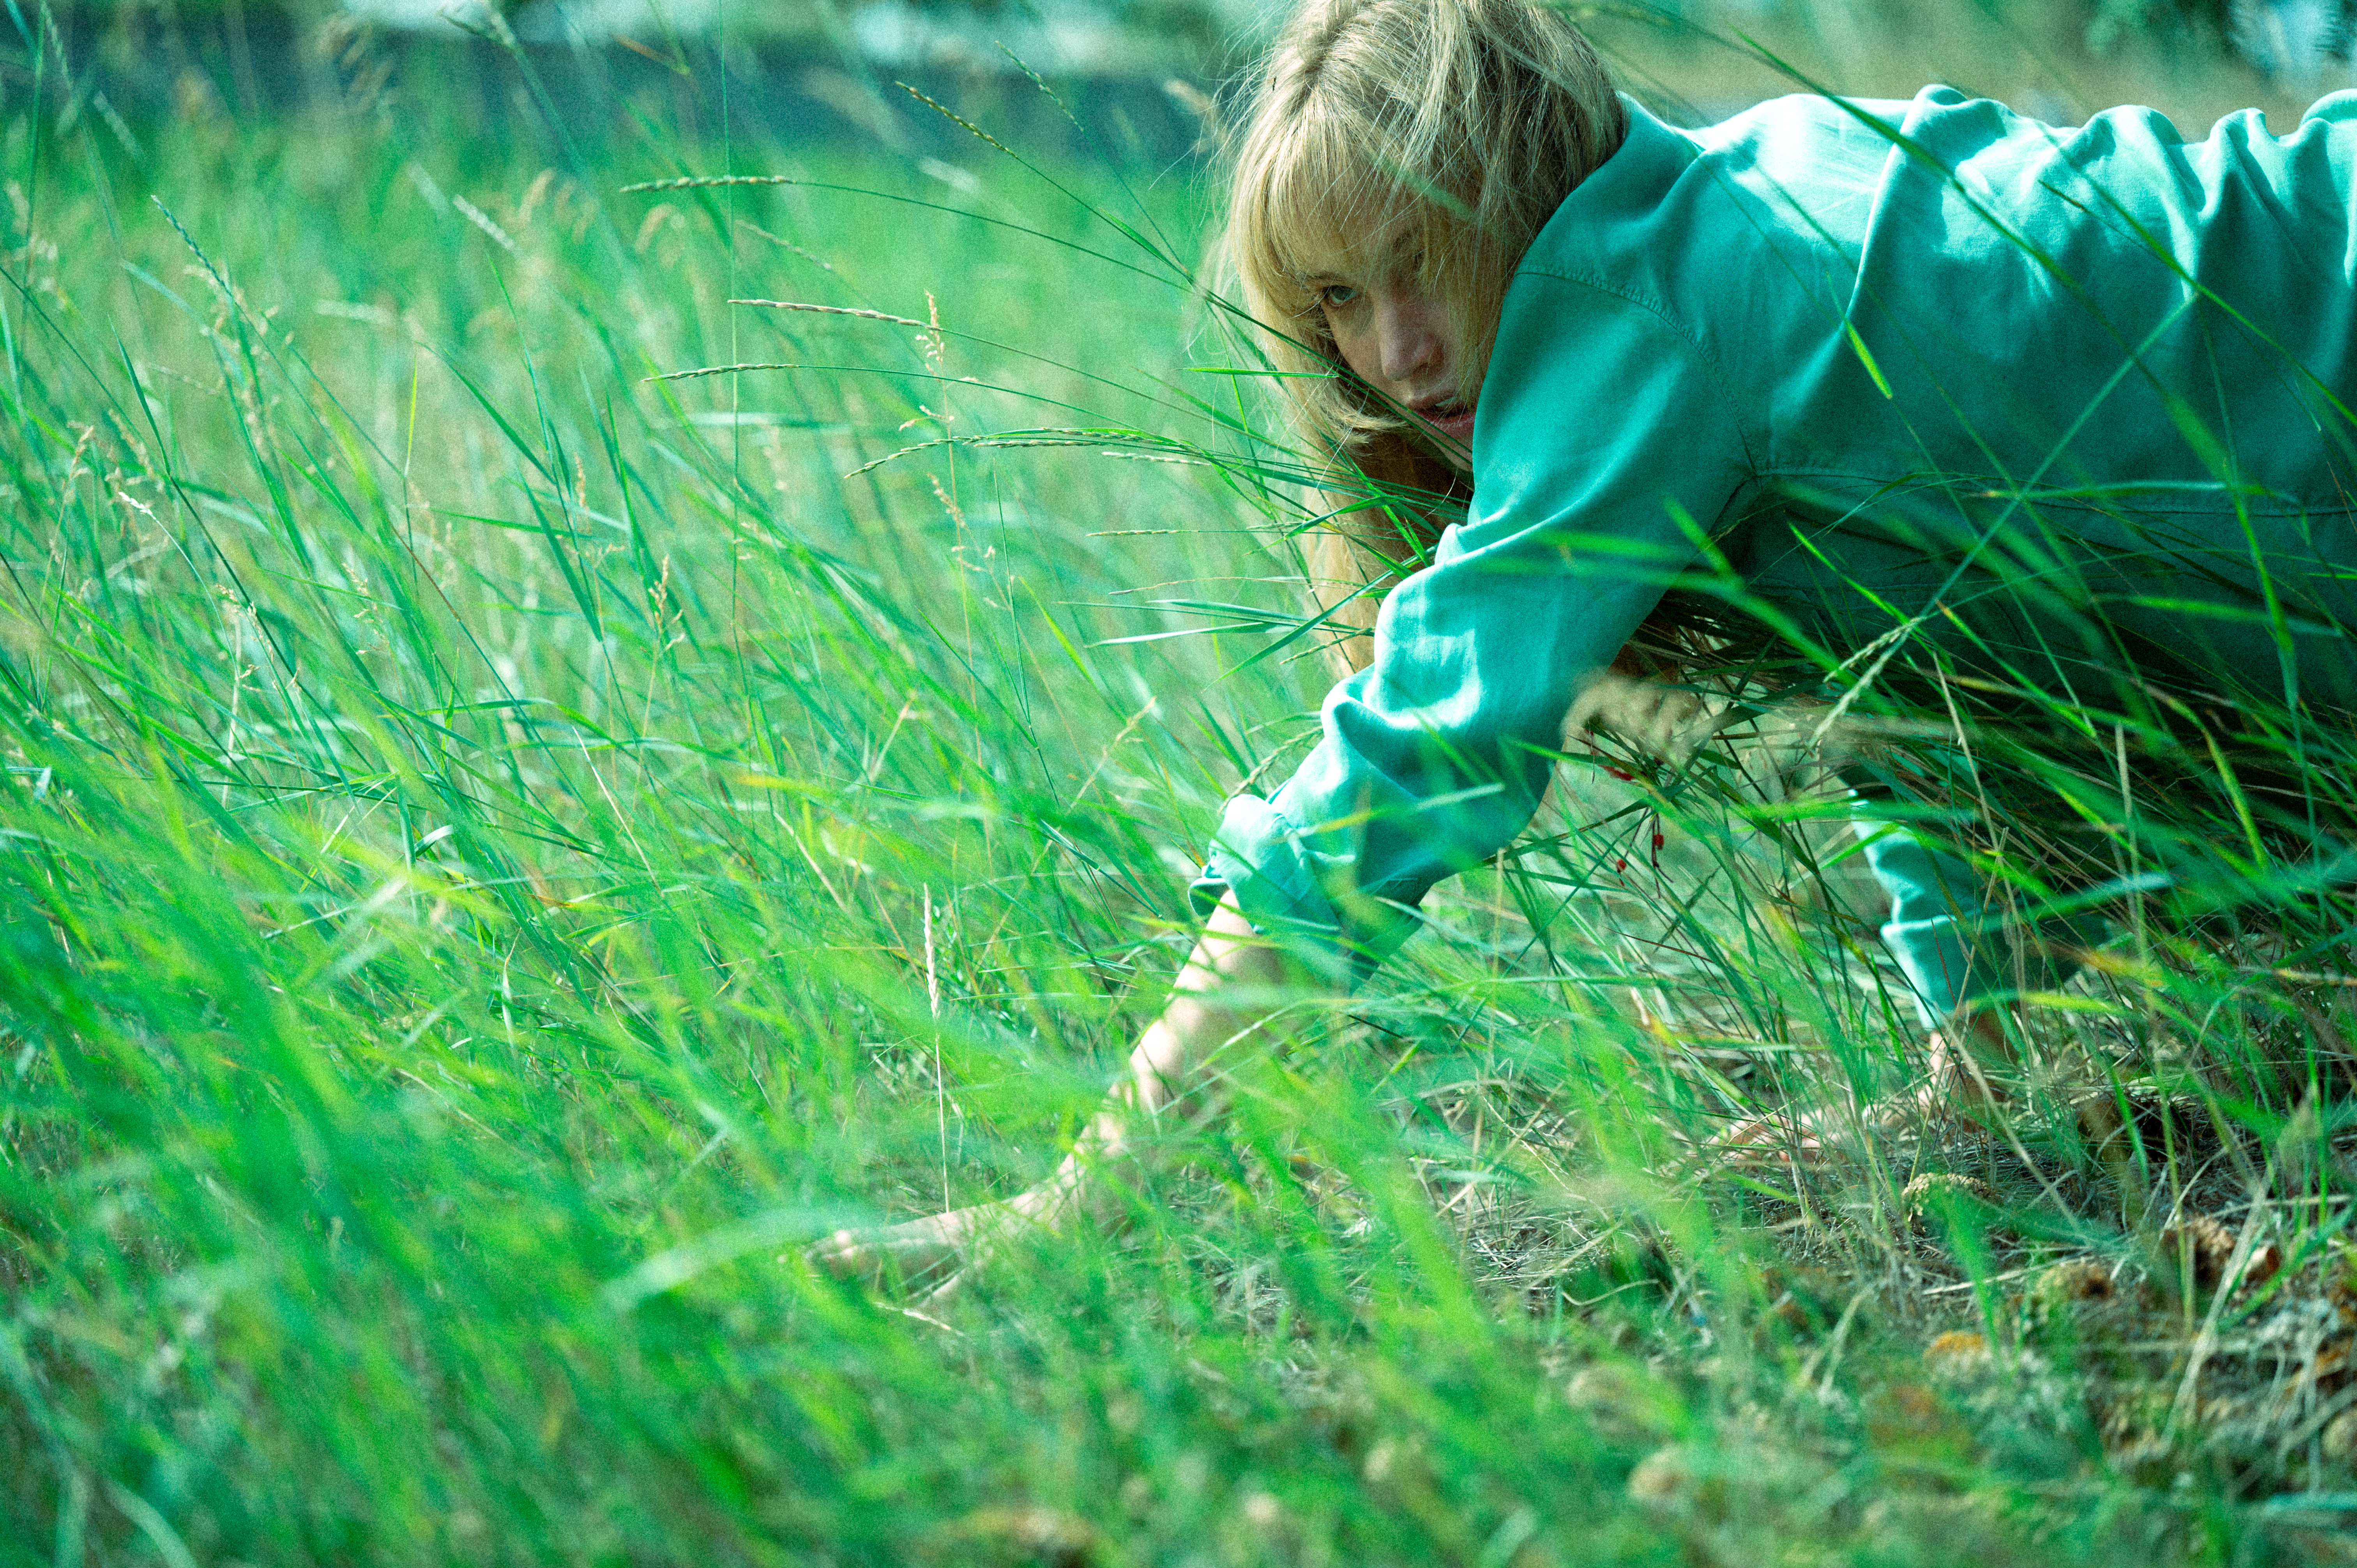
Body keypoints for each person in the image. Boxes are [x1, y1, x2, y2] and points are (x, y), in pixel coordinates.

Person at [816, 0, 2357, 1288]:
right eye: (1341, 297)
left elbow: (1405, 769)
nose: (1396, 352)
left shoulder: (1634, 311)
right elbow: (1941, 676)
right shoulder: (1736, 204)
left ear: (1516, 184)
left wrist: (1089, 1192)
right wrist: (1972, 1073)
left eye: (1424, 256)